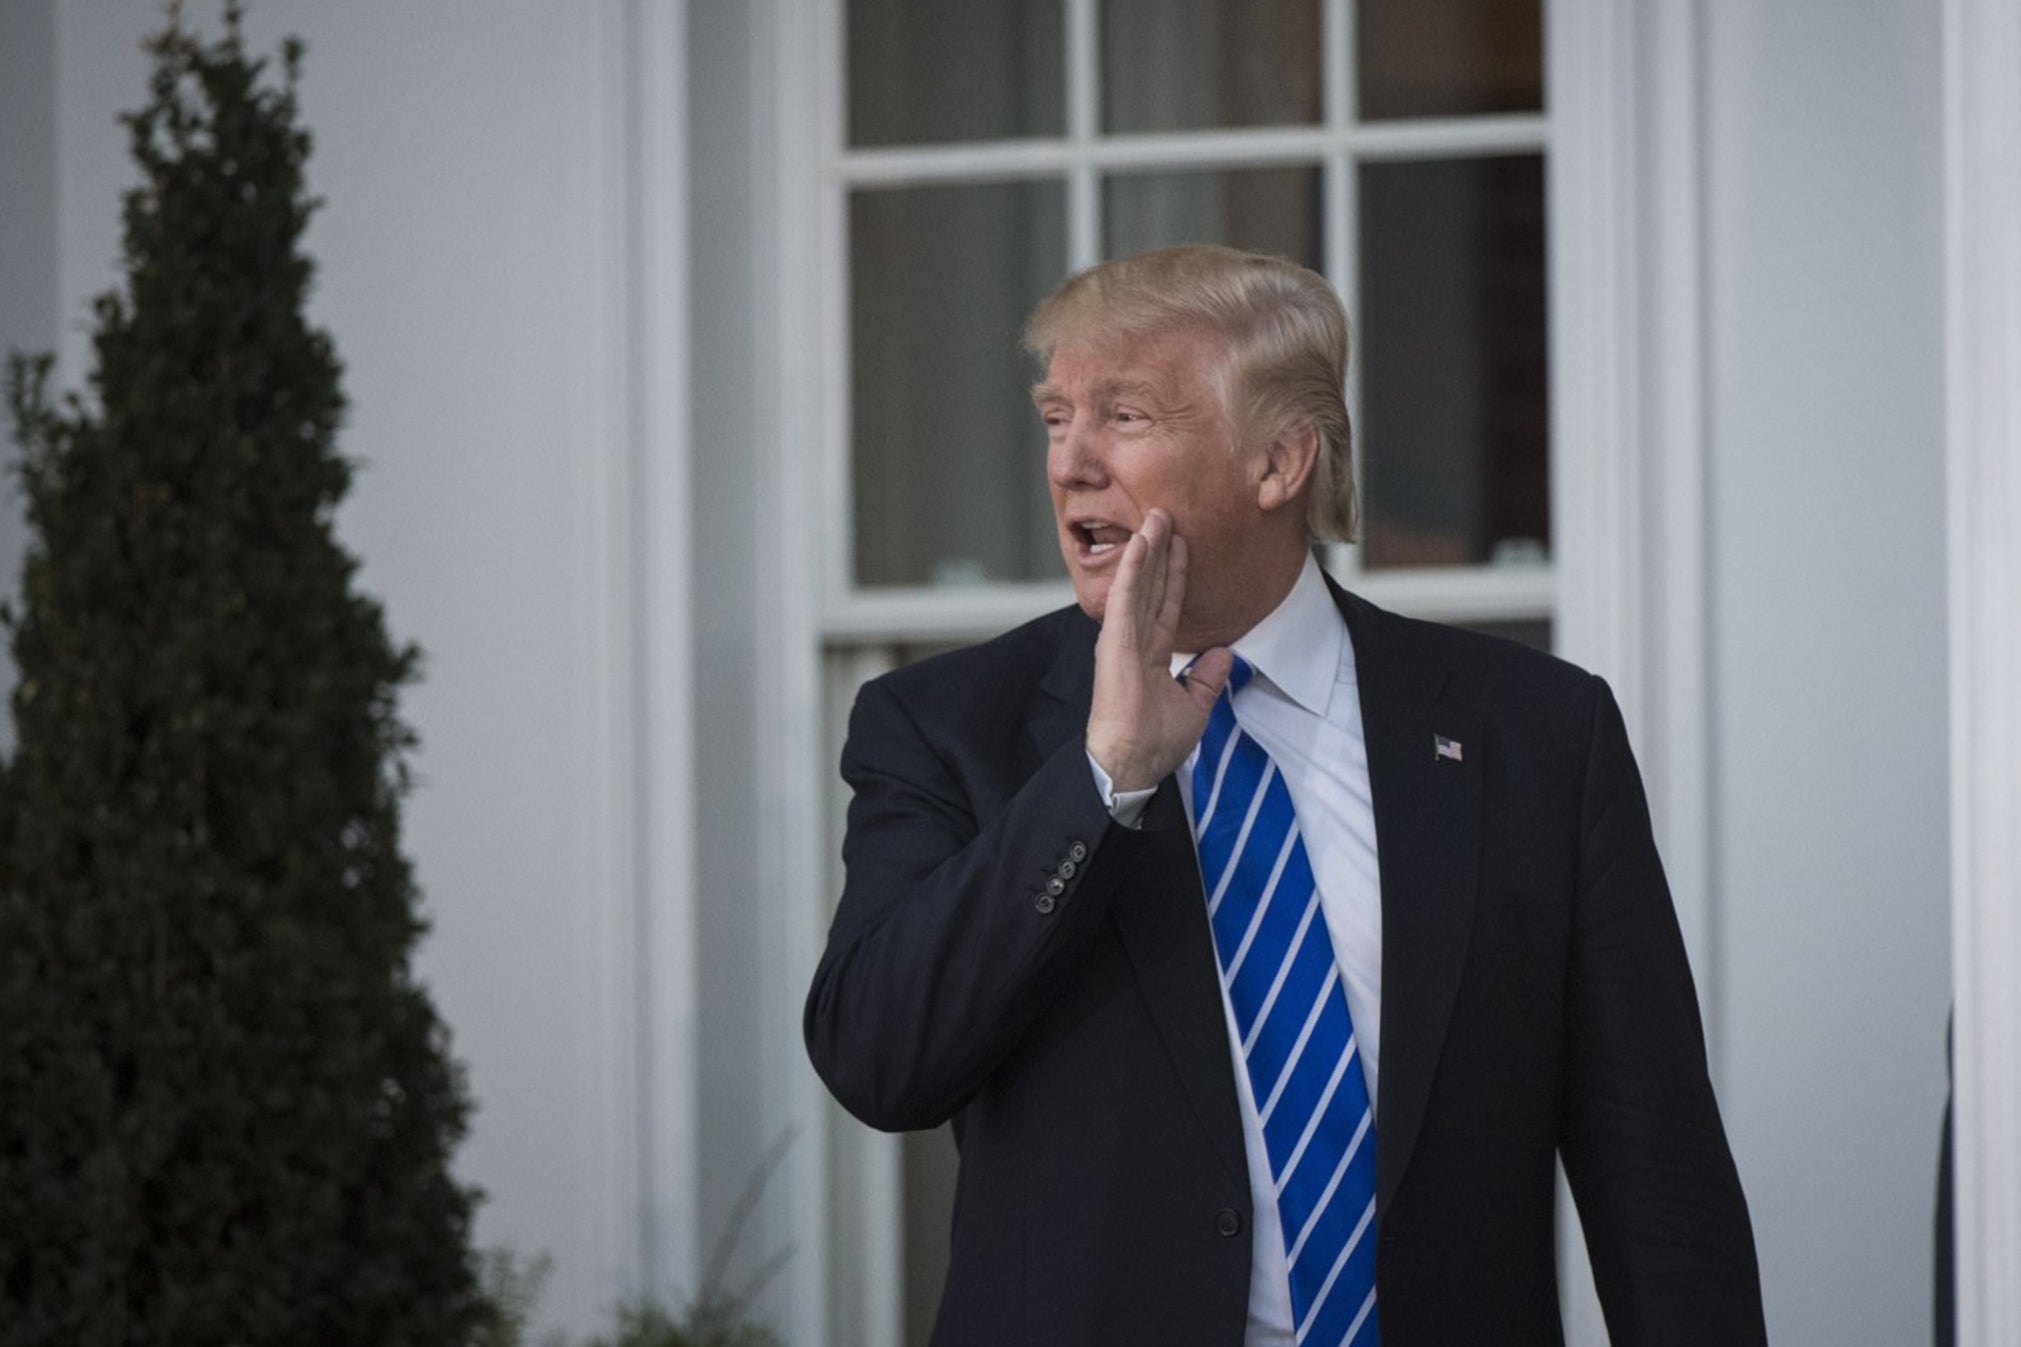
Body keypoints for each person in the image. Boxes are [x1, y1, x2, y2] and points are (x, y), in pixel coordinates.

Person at [804, 245, 1765, 1345]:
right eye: (1054, 416)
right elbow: (877, 1060)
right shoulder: (945, 727)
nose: (1069, 462)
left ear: (1278, 462)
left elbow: (1656, 1174)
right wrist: (1102, 778)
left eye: (1123, 416)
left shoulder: (1536, 734)